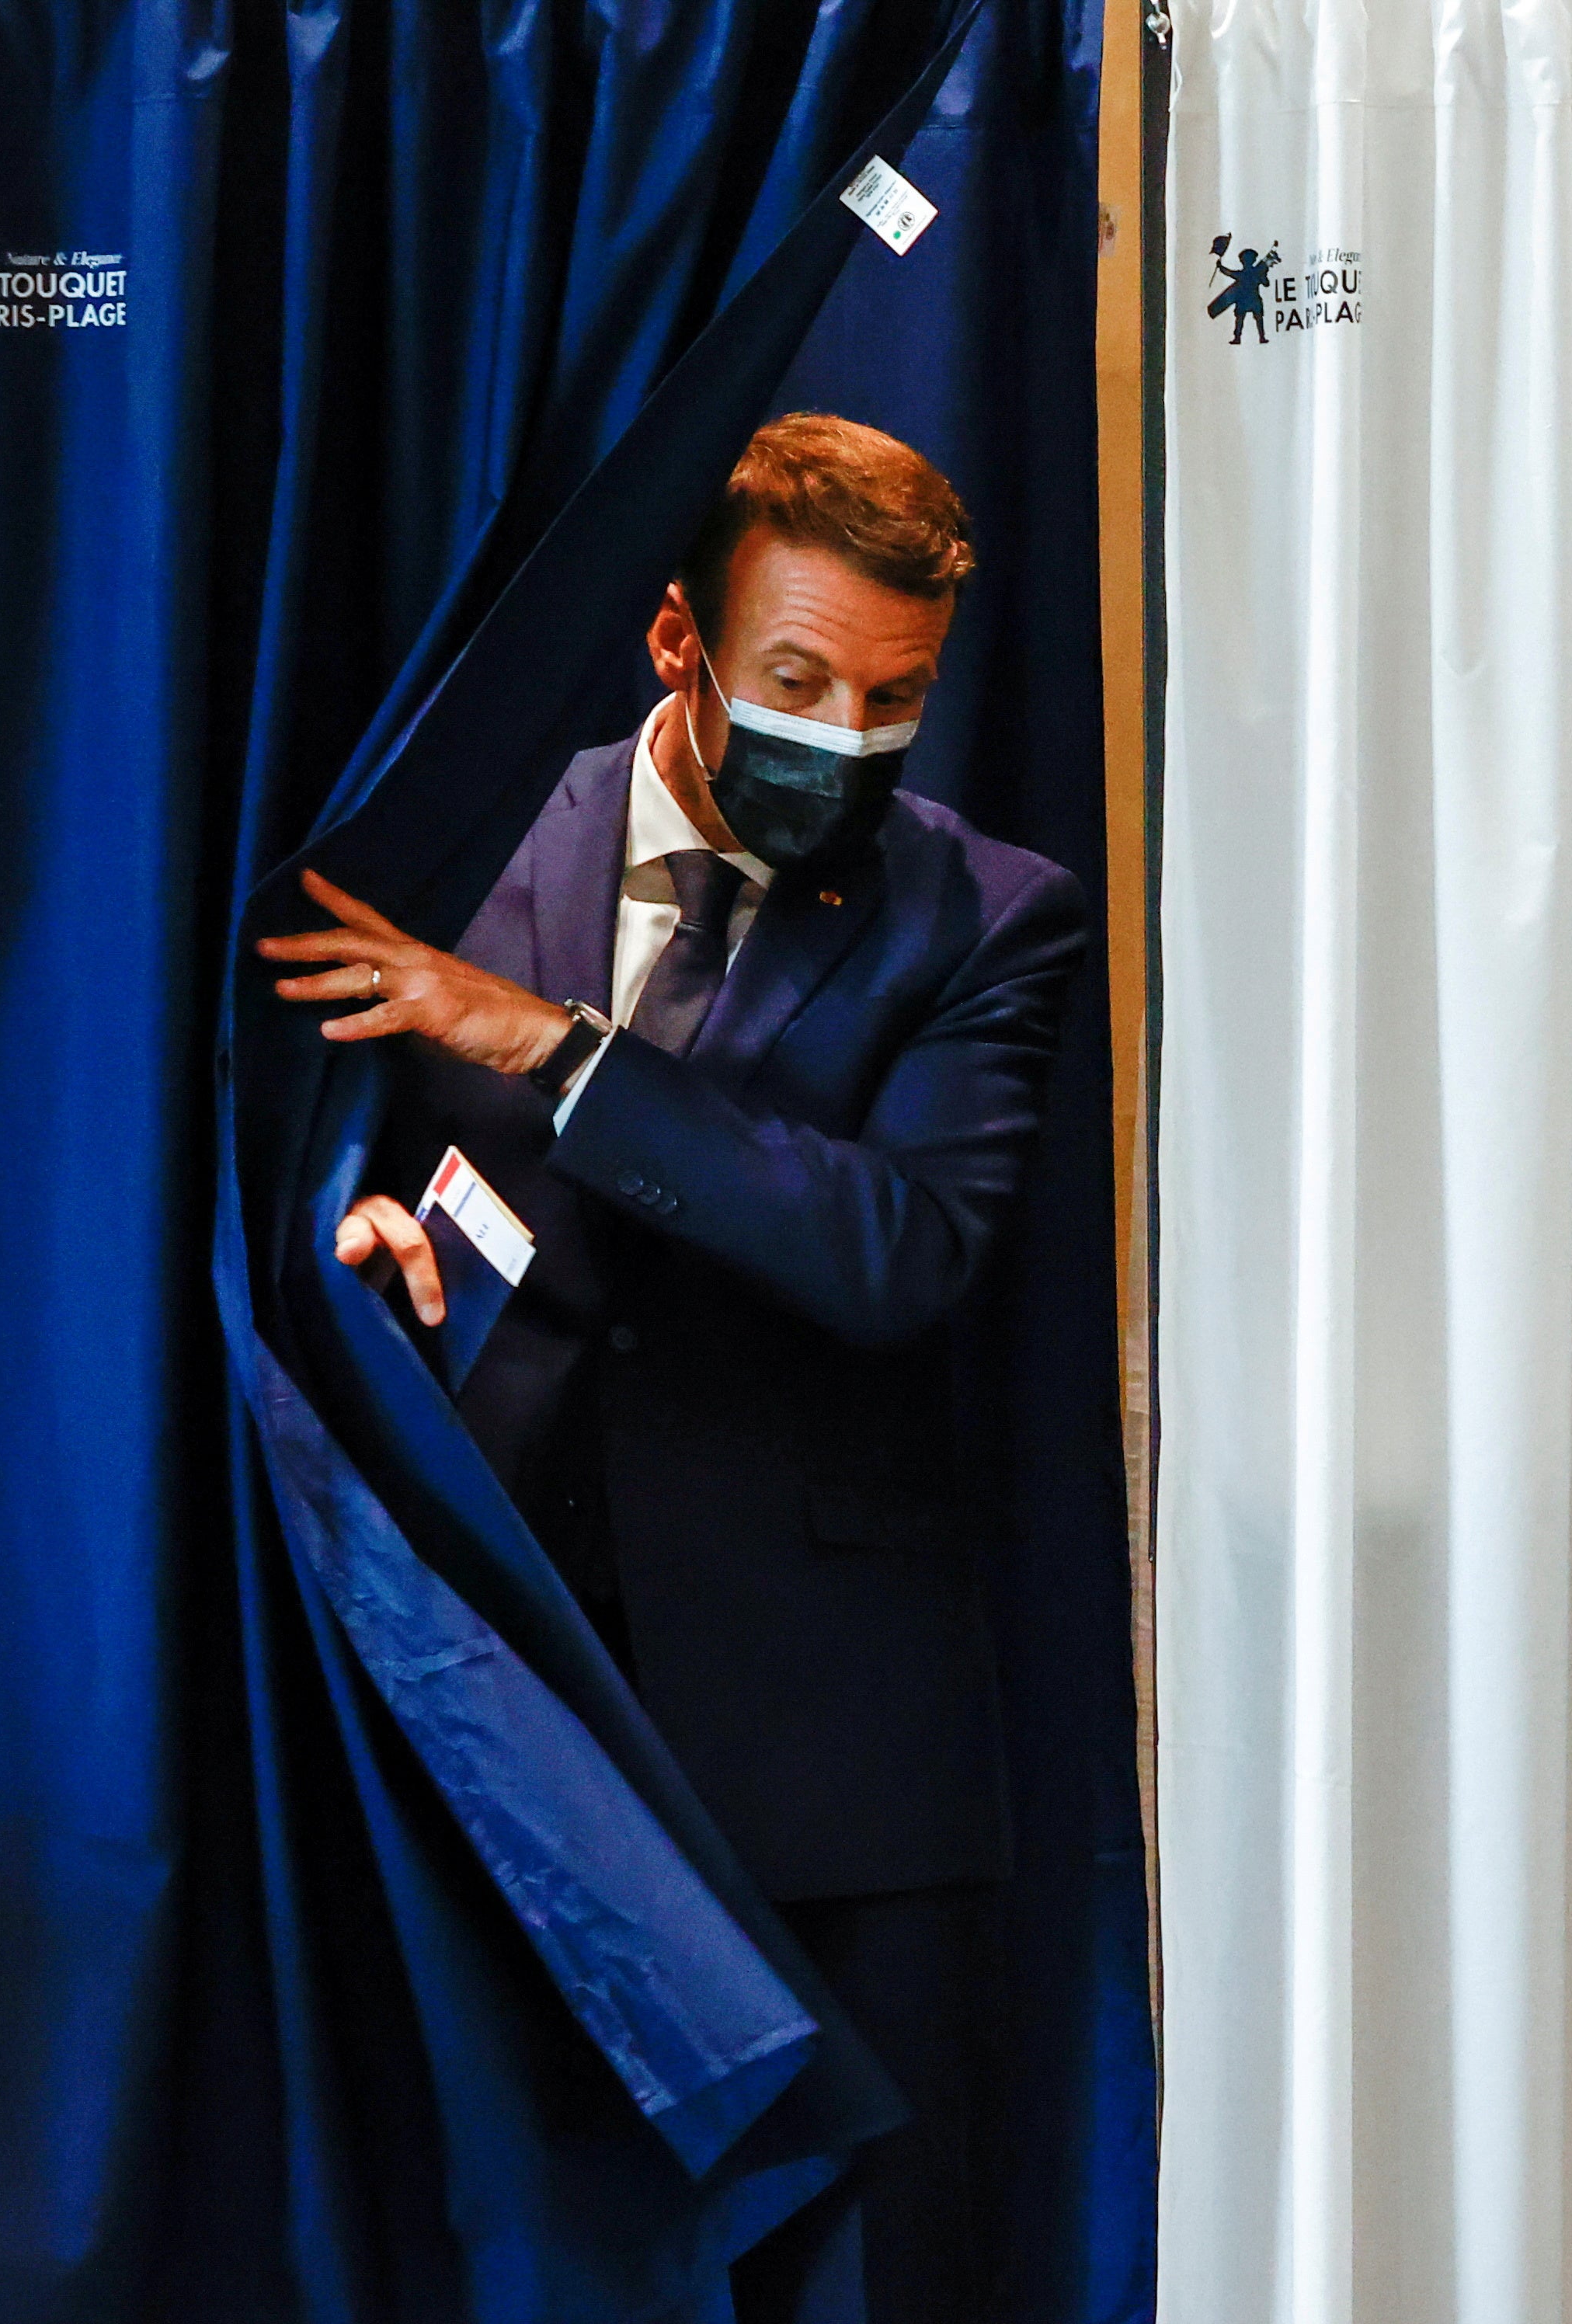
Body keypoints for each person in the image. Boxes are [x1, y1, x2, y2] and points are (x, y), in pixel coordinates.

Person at [255, 412, 1092, 2323]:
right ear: (674, 645)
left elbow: (901, 1252)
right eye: (798, 682)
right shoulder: (452, 840)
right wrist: (347, 1244)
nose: (849, 741)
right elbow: (319, 1175)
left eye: (896, 699)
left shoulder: (990, 914)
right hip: (494, 1701)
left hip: (824, 1758)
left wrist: (557, 1050)